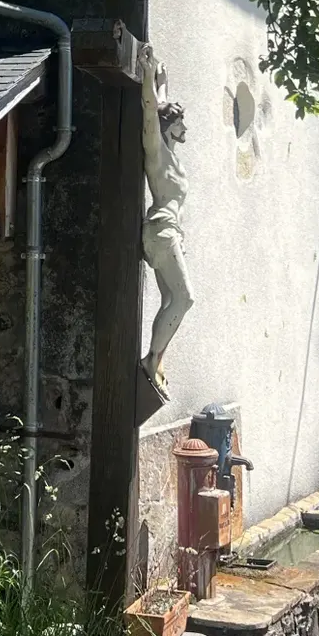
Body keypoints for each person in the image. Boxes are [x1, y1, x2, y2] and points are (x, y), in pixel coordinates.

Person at [139, 41, 193, 400]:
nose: (185, 129)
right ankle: (151, 360)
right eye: (180, 123)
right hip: (160, 229)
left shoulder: (171, 154)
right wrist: (146, 76)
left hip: (169, 231)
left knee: (171, 299)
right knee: (185, 298)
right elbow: (151, 111)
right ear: (168, 126)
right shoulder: (157, 150)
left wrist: (162, 78)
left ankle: (155, 361)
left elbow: (161, 105)